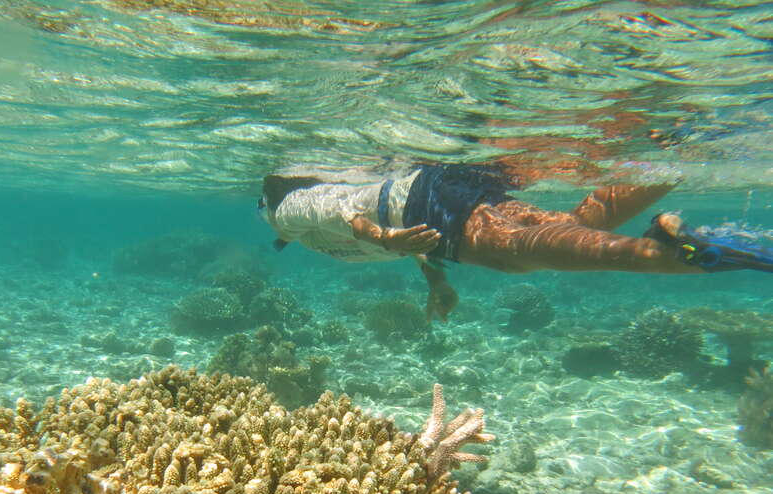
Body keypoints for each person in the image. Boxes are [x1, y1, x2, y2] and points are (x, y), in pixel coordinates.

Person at [259, 163, 773, 322]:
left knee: (517, 255)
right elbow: (379, 234)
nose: (265, 217)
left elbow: (332, 204)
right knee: (558, 227)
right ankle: (668, 166)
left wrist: (382, 235)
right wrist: (434, 280)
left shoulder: (286, 212)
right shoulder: (308, 235)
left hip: (419, 205)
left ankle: (669, 254)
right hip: (427, 195)